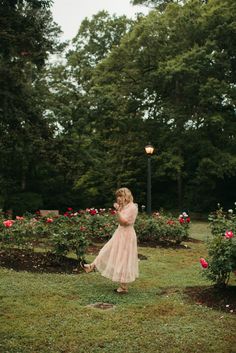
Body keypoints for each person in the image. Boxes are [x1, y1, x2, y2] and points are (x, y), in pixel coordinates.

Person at [80, 187, 139, 294]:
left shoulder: (133, 207)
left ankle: (123, 287)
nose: (118, 199)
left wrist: (118, 211)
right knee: (106, 250)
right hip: (120, 233)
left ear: (126, 196)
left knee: (123, 259)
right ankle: (92, 266)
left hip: (127, 235)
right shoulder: (124, 207)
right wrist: (119, 210)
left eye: (120, 196)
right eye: (117, 197)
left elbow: (124, 222)